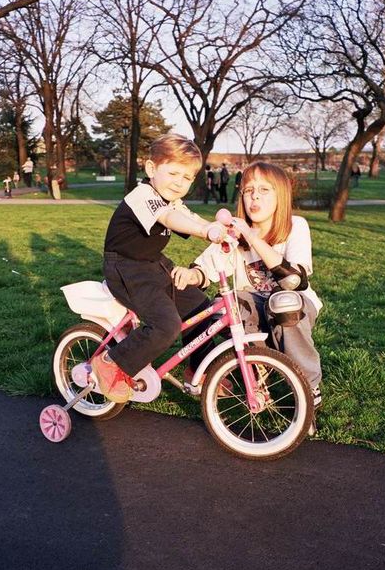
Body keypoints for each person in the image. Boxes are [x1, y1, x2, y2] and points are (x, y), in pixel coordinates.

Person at [173, 161, 323, 411]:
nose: (254, 196)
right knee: (223, 307)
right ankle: (258, 367)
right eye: (248, 190)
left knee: (283, 302)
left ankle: (309, 383)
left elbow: (294, 280)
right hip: (253, 309)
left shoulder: (295, 225)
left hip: (294, 307)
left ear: (281, 195)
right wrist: (191, 275)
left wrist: (253, 237)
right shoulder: (235, 233)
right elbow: (205, 269)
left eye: (264, 190)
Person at [91, 133, 226, 402]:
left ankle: (197, 369)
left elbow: (187, 215)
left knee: (200, 307)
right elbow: (170, 218)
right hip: (125, 268)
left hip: (152, 264)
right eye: (173, 173)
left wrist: (218, 228)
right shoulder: (143, 195)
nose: (179, 182)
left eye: (187, 178)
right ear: (152, 169)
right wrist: (205, 231)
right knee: (166, 325)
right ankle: (110, 362)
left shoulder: (170, 200)